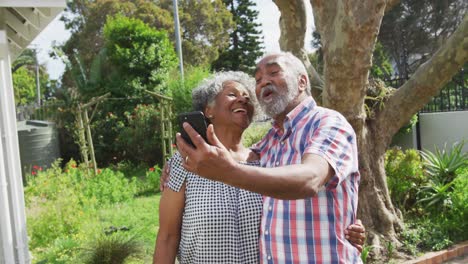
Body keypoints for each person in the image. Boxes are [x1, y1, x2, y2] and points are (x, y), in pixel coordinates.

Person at [154, 71, 365, 264]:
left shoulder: (268, 160)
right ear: (208, 110)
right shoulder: (186, 163)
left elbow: (302, 203)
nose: (243, 99)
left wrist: (347, 227)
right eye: (232, 94)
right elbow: (167, 236)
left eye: (247, 96)